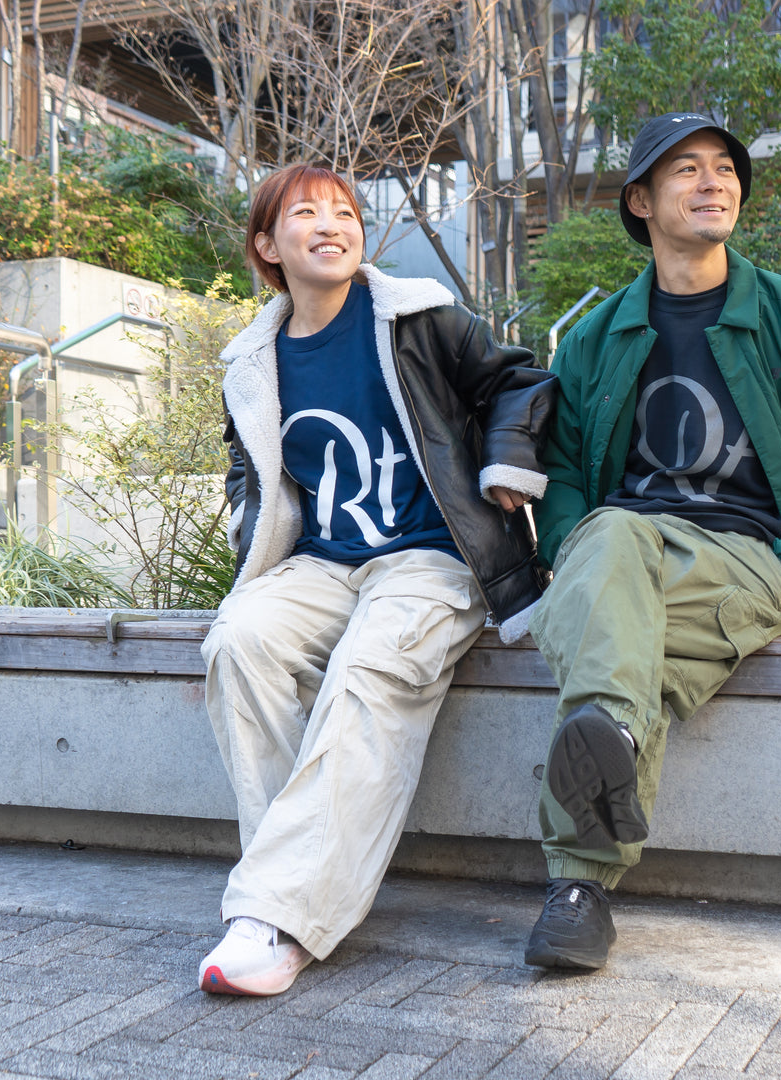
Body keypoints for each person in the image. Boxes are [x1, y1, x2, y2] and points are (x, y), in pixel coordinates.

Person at [522, 113, 781, 970]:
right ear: (640, 200)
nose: (715, 183)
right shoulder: (596, 339)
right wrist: (569, 553)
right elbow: (559, 481)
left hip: (747, 560)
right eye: (687, 170)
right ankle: (591, 841)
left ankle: (579, 871)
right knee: (618, 575)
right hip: (619, 555)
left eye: (726, 170)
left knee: (612, 582)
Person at [197, 163, 556, 996]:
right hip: (324, 562)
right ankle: (291, 896)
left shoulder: (416, 316)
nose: (332, 225)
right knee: (238, 642)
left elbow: (519, 380)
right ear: (267, 245)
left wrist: (508, 461)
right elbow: (247, 468)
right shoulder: (253, 359)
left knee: (368, 670)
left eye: (346, 212)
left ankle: (275, 922)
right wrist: (251, 529)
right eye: (306, 214)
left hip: (434, 555)